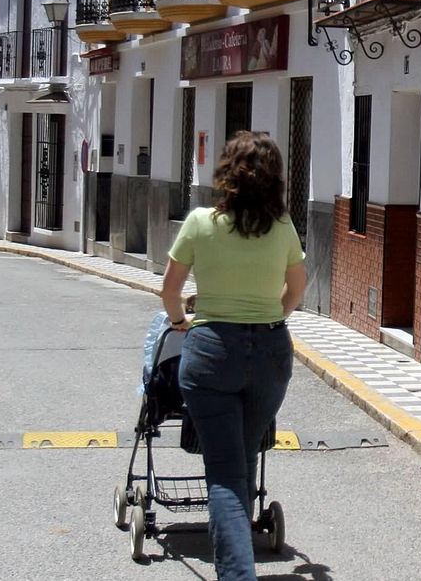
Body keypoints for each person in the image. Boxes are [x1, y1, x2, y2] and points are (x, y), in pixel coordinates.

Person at [161, 132, 306, 581]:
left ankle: (237, 575)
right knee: (242, 456)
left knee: (224, 473)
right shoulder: (282, 226)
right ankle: (238, 557)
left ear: (226, 173)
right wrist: (270, 318)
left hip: (210, 353)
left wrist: (182, 323)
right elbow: (297, 290)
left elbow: (169, 291)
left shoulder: (200, 223)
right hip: (270, 354)